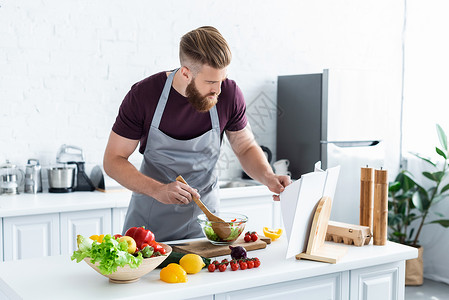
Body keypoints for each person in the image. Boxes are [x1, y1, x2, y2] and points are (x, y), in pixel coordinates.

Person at [103, 26, 291, 242]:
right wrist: (158, 190)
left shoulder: (229, 93)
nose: (218, 90)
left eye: (222, 80)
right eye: (211, 82)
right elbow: (113, 160)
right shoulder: (144, 96)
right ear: (185, 73)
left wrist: (268, 177)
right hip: (148, 226)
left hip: (205, 226)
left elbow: (245, 147)